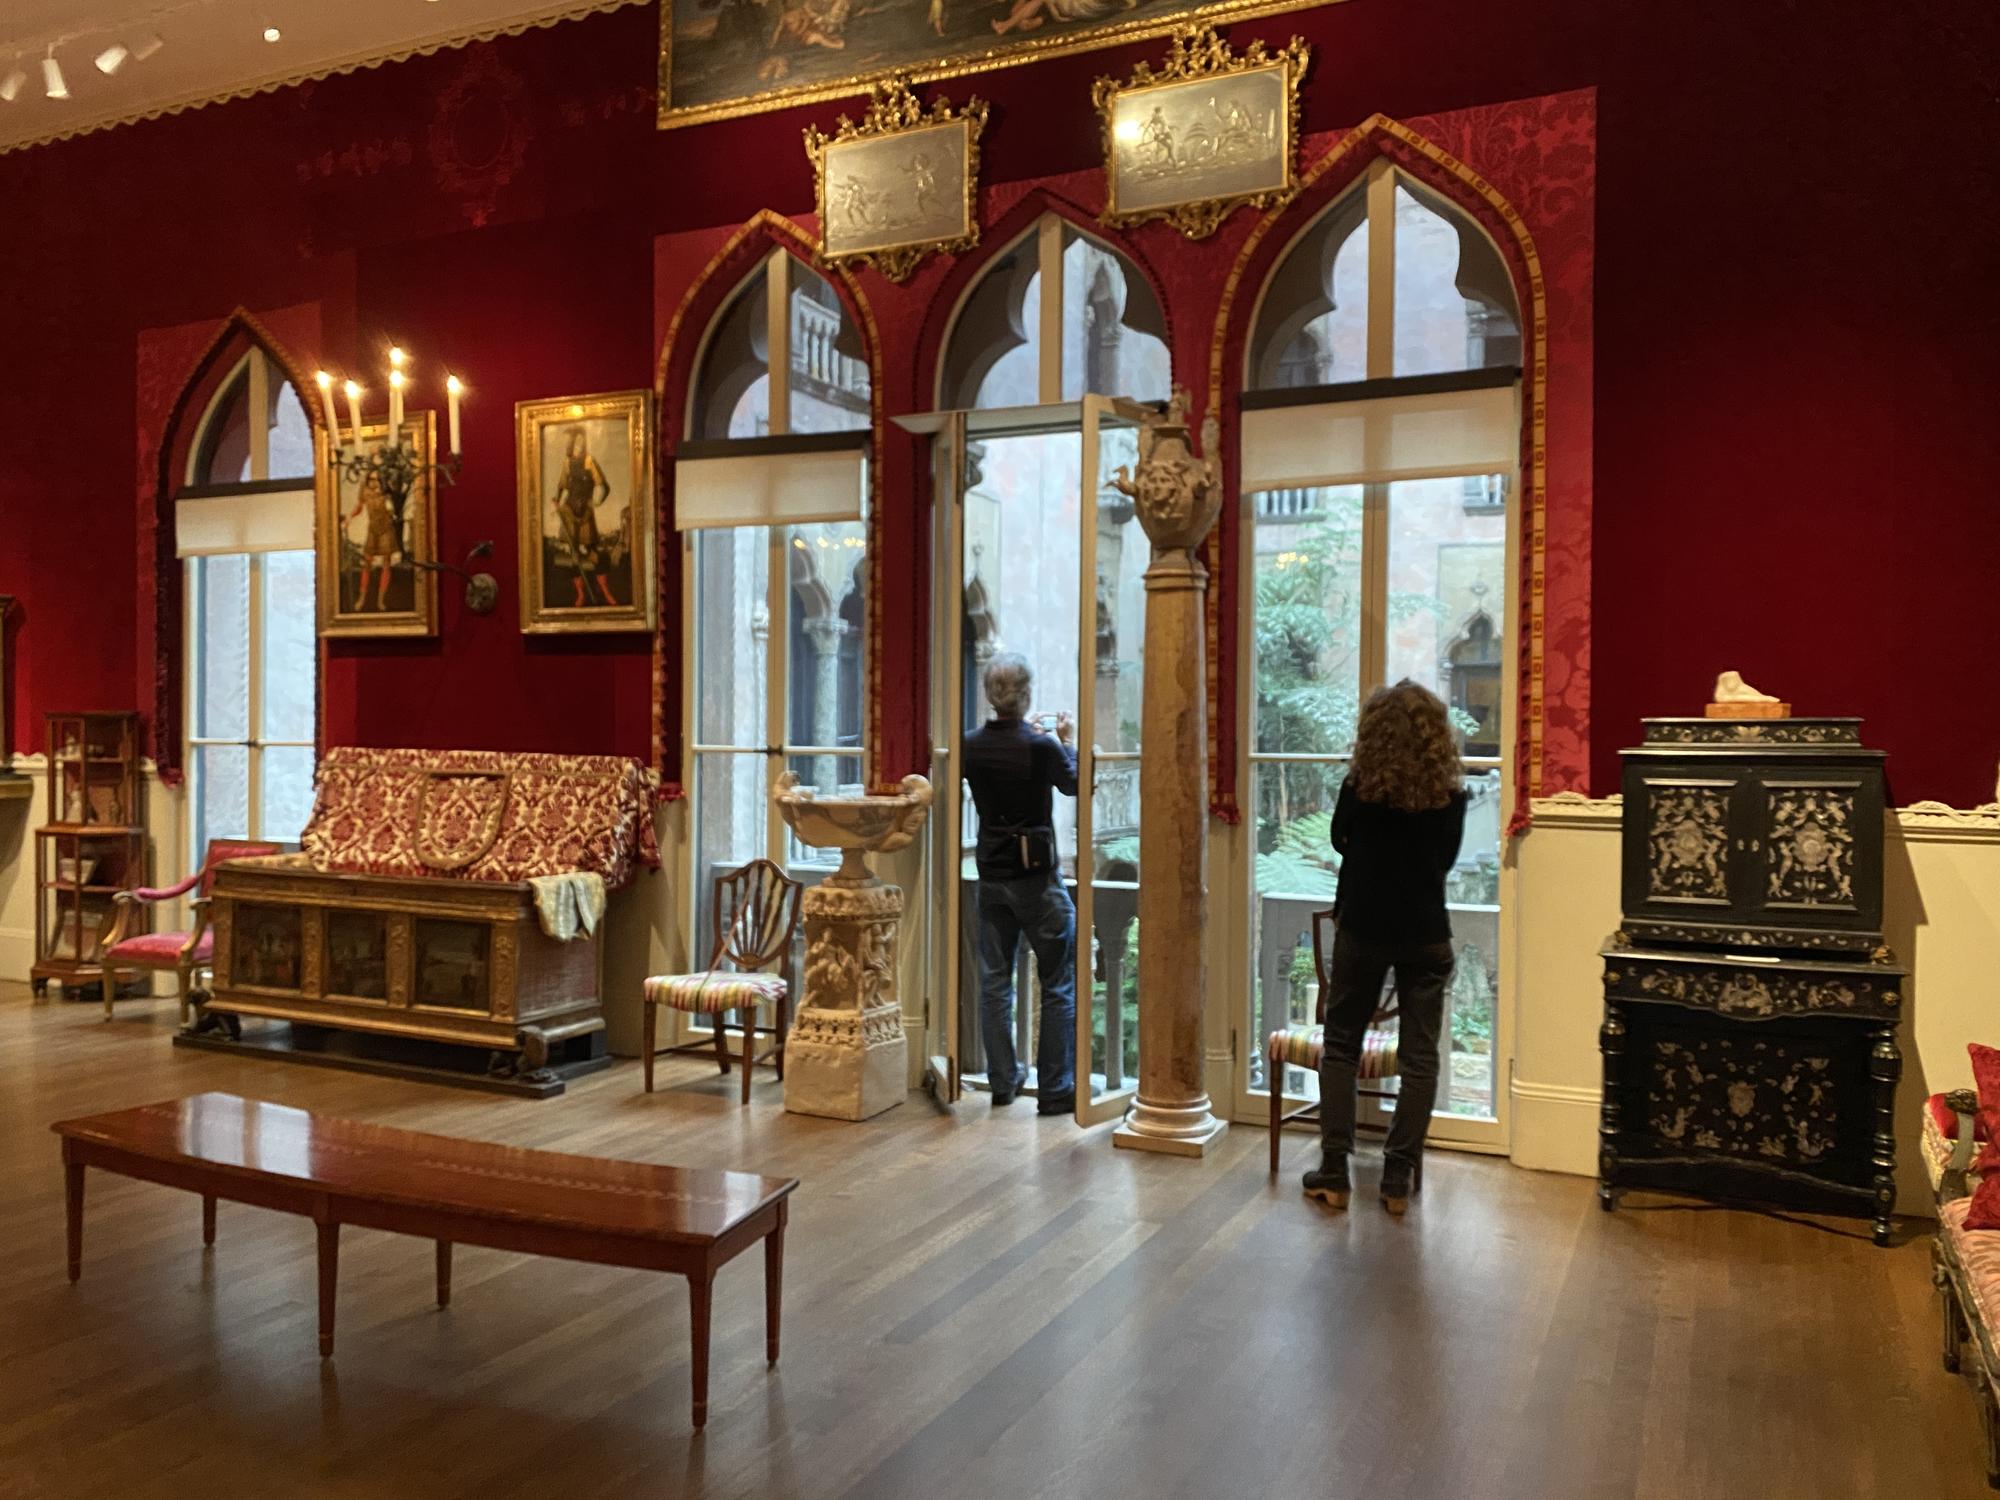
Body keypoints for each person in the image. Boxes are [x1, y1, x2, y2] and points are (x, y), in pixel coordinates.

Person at [1304, 680, 1467, 1215]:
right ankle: (1397, 1178)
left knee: (1341, 1044)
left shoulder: (1361, 787)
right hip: (1426, 932)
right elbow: (1443, 861)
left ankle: (1334, 1172)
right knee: (1421, 1056)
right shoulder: (1451, 794)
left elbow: (1337, 839)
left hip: (1365, 927)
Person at [962, 653, 1078, 1115]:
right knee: (1057, 983)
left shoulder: (970, 744)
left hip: (991, 873)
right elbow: (1073, 785)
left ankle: (1002, 1081)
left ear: (991, 697)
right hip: (1037, 878)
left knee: (995, 981)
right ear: (1026, 694)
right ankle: (1055, 1090)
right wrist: (1064, 740)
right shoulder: (1041, 744)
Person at [548, 426, 616, 608]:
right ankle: (580, 594)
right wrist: (557, 499)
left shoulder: (589, 461)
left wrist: (596, 503)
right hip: (569, 512)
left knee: (596, 552)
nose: (576, 444)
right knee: (573, 556)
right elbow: (561, 486)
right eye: (573, 440)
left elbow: (604, 487)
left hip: (585, 513)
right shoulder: (567, 463)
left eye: (579, 440)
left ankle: (604, 589)